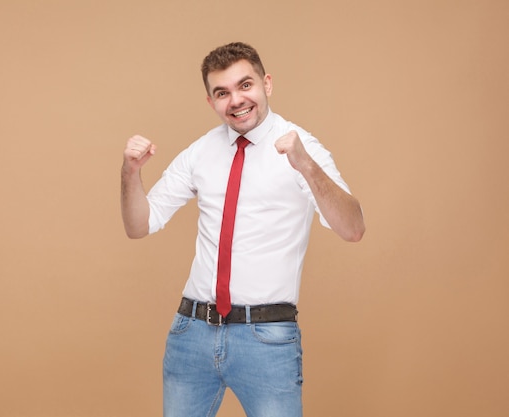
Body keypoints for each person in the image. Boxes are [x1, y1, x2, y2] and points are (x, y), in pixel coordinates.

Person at [121, 42, 365, 417]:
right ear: (211, 101)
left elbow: (353, 228)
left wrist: (306, 166)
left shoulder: (301, 145)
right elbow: (140, 225)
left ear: (266, 84)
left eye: (245, 85)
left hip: (265, 338)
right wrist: (131, 173)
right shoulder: (201, 152)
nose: (235, 100)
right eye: (223, 93)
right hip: (191, 333)